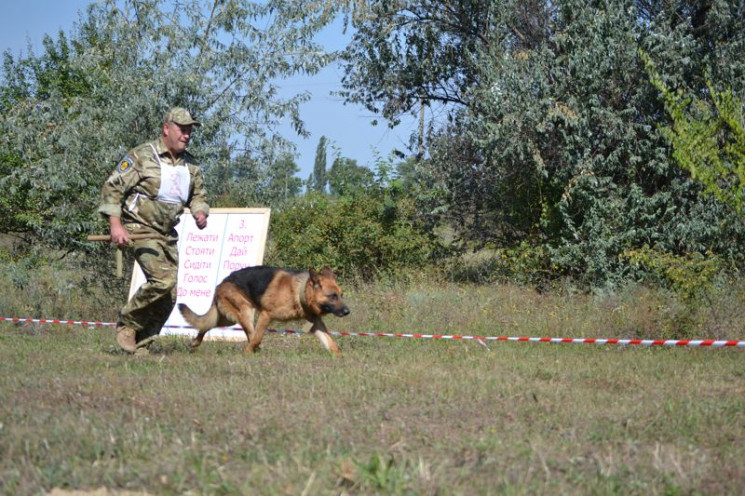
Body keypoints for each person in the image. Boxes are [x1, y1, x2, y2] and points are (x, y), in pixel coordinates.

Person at [98, 107, 210, 353]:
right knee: (162, 280)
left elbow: (199, 195)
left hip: (167, 234)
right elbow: (112, 188)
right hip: (139, 229)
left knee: (169, 295)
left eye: (190, 130)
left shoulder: (191, 166)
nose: (186, 135)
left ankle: (142, 344)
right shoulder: (141, 156)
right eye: (182, 129)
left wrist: (201, 211)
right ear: (166, 128)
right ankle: (128, 322)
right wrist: (115, 225)